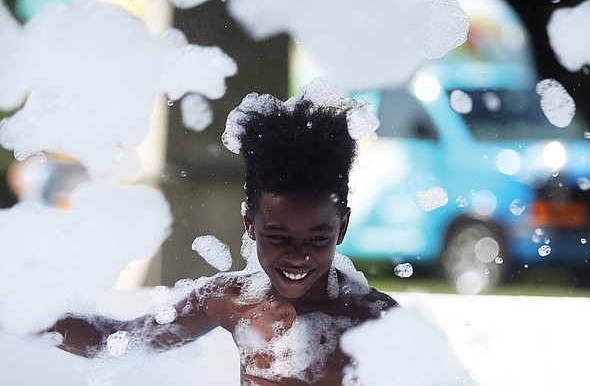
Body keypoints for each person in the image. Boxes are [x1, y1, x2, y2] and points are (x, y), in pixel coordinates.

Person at [47, 79, 397, 385]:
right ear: (250, 224)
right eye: (278, 237)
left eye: (316, 238)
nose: (296, 254)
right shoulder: (233, 300)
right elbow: (118, 341)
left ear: (342, 228)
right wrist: (28, 313)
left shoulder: (374, 318)